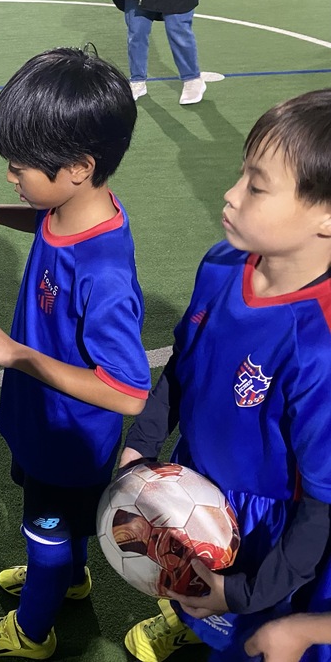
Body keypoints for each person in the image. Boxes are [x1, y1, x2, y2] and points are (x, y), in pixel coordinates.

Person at [0, 46, 150, 659]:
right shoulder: (75, 208)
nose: (11, 176)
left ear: (78, 167)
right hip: (42, 418)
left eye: (19, 167)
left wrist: (14, 353)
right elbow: (46, 223)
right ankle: (69, 577)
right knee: (59, 523)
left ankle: (31, 632)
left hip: (66, 437)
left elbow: (129, 391)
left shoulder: (103, 272)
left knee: (45, 526)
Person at [118, 88, 331, 662]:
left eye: (256, 186)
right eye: (241, 175)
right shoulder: (221, 262)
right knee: (192, 593)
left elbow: (320, 508)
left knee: (249, 640)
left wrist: (241, 593)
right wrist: (142, 442)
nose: (231, 194)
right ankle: (193, 618)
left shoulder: (319, 346)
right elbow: (184, 363)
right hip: (194, 482)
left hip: (268, 531)